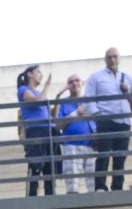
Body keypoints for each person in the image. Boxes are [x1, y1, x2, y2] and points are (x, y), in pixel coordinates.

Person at [84, 46, 132, 190]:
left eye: (115, 56)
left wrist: (128, 91)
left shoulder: (128, 78)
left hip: (124, 122)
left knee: (120, 156)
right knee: (103, 155)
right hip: (106, 120)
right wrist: (98, 115)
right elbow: (88, 99)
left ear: (119, 58)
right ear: (105, 59)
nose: (112, 59)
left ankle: (117, 186)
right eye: (109, 57)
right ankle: (100, 186)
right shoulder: (96, 77)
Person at [15, 65, 59, 197]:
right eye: (38, 72)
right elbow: (38, 101)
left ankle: (51, 197)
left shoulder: (39, 93)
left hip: (48, 130)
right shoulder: (23, 89)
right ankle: (31, 197)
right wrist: (47, 86)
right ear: (30, 74)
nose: (41, 75)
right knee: (35, 166)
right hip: (36, 131)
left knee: (49, 168)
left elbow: (51, 114)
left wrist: (58, 97)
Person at [56, 72, 95, 193]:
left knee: (94, 184)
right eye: (71, 82)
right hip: (71, 146)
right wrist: (75, 114)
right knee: (72, 185)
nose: (74, 83)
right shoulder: (63, 103)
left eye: (77, 80)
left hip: (92, 146)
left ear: (82, 83)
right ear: (67, 86)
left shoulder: (90, 101)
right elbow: (58, 125)